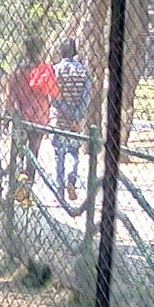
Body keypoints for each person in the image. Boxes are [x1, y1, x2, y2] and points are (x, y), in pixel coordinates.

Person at [6, 37, 56, 179]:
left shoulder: (18, 71)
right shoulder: (45, 70)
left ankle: (17, 180)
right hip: (40, 116)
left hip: (22, 117)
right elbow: (52, 93)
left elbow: (10, 96)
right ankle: (28, 185)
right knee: (33, 153)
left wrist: (6, 117)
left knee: (18, 151)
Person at [51, 38, 91, 200]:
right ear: (74, 52)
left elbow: (54, 96)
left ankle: (59, 188)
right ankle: (71, 179)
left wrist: (64, 112)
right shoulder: (84, 71)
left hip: (59, 118)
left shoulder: (55, 70)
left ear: (61, 51)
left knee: (58, 152)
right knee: (73, 151)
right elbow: (86, 96)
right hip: (76, 120)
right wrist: (76, 116)